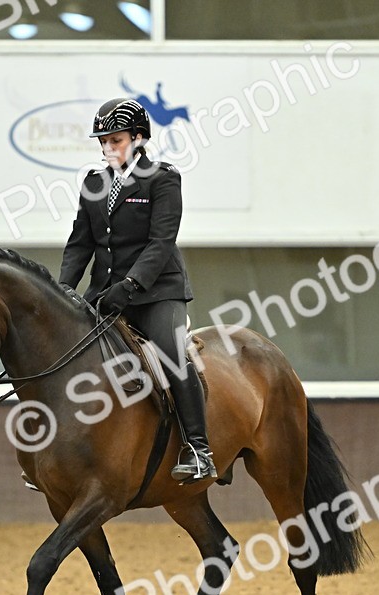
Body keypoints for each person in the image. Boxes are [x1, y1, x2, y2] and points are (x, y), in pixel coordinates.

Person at [58, 98, 217, 484]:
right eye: (103, 142)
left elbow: (161, 242)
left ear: (139, 137)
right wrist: (63, 287)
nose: (107, 148)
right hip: (105, 292)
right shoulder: (93, 183)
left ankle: (199, 449)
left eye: (115, 140)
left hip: (156, 291)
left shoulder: (162, 178)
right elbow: (81, 243)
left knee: (171, 353)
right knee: (63, 350)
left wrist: (130, 285)